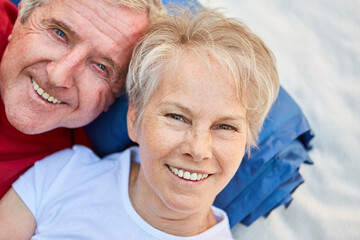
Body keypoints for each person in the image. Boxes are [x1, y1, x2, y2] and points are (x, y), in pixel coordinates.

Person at [0, 7, 279, 239]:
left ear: (248, 138)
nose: (198, 148)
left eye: (226, 127)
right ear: (134, 118)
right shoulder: (63, 173)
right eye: (176, 117)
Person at [0, 0, 165, 198]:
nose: (58, 77)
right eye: (59, 33)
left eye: (101, 67)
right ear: (20, 20)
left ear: (115, 96)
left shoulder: (74, 180)